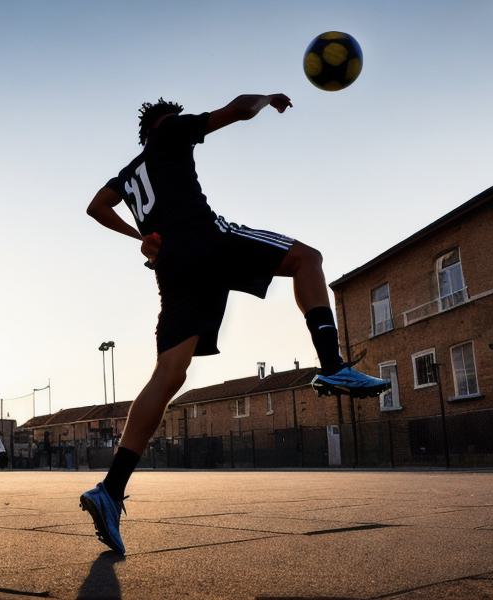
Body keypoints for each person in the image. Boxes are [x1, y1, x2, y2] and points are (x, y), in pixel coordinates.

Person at [81, 95, 389, 555]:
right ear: (165, 122)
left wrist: (141, 236)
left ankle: (110, 488)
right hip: (210, 243)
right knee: (309, 258)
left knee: (169, 376)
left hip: (174, 267)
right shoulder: (172, 132)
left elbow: (97, 206)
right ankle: (332, 363)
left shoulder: (130, 173)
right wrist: (266, 99)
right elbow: (235, 110)